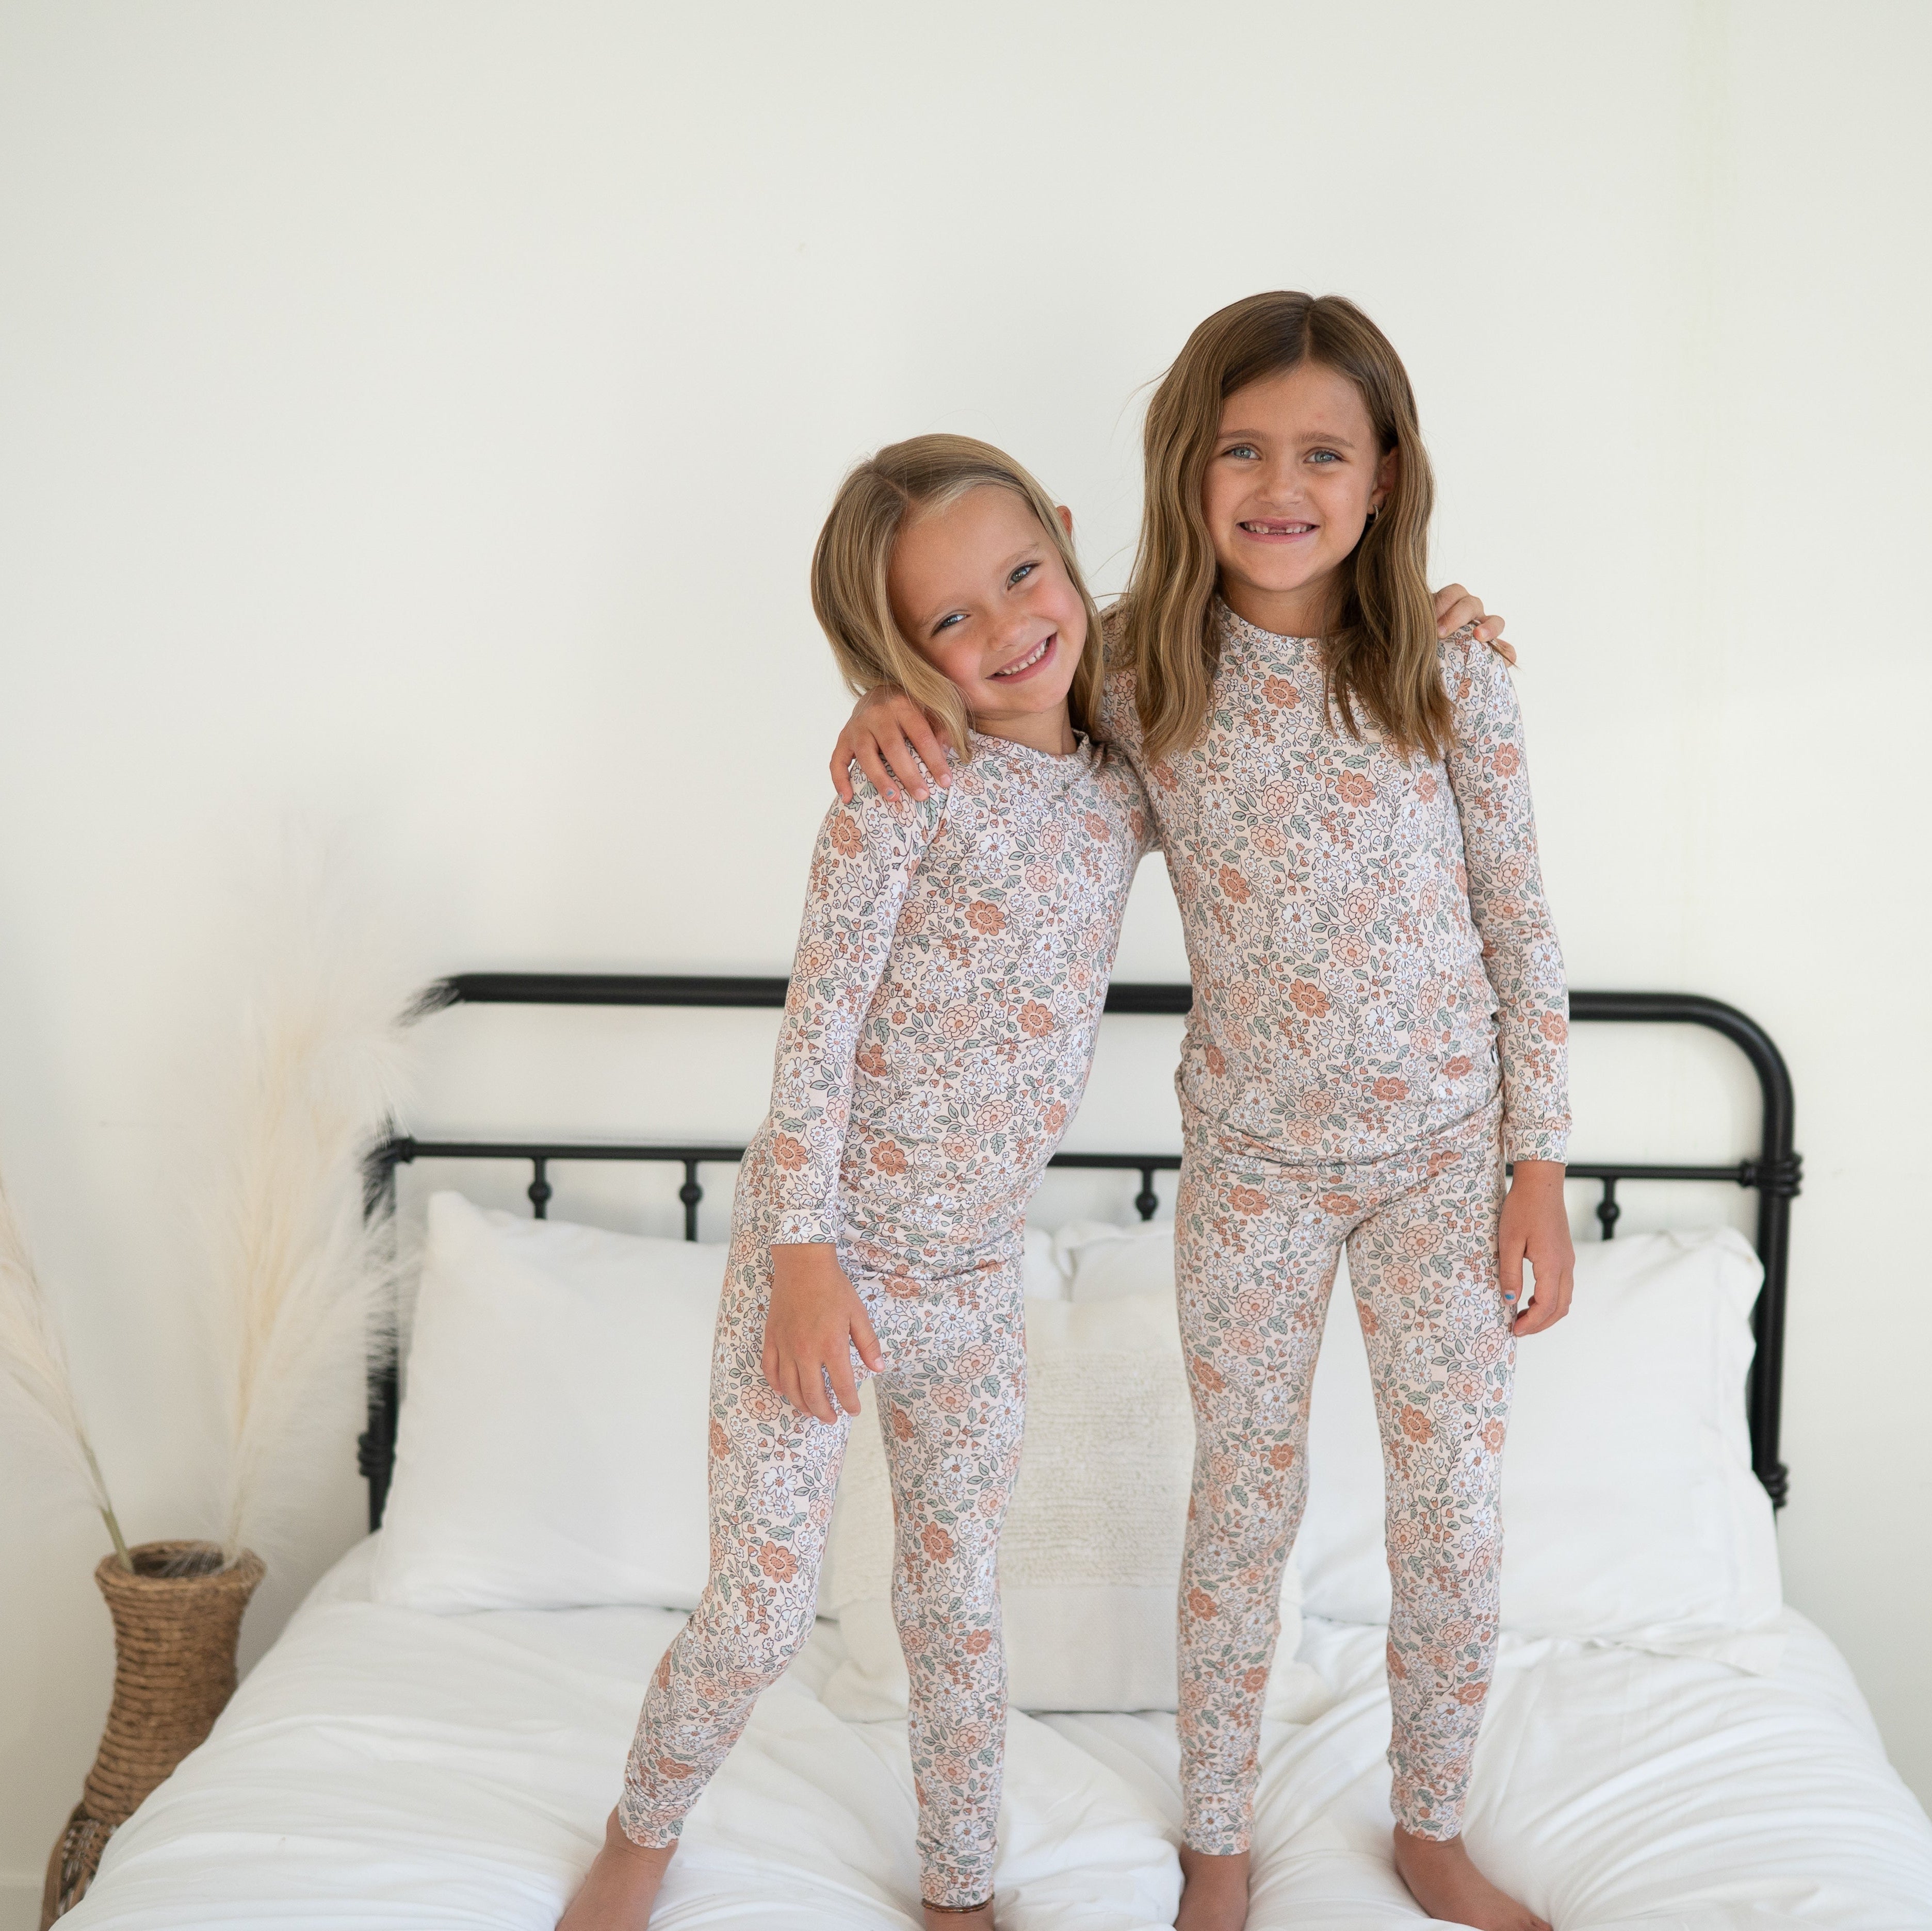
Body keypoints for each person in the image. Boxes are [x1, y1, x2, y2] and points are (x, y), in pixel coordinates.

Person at [829, 292, 1573, 1931]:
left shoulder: (1448, 673)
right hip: (1249, 1168)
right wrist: (891, 706)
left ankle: (1430, 1826)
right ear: (1186, 469)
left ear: (1383, 478)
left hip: (1446, 1164)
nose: (1278, 484)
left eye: (1322, 451)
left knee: (1449, 1506)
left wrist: (1538, 1164)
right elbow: (987, 688)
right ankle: (1217, 1835)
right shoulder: (1136, 671)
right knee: (1242, 1496)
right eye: (1241, 450)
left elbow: (1522, 931)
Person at [558, 434, 1153, 1931]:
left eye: (1024, 575)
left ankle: (960, 1890)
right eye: (947, 621)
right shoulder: (906, 786)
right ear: (895, 654)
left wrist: (1443, 617)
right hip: (817, 1252)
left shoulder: (1130, 764)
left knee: (954, 1606)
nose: (1007, 628)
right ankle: (637, 1838)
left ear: (1070, 543)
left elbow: (1263, 667)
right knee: (761, 1611)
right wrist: (807, 1259)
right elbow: (817, 1029)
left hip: (973, 1272)